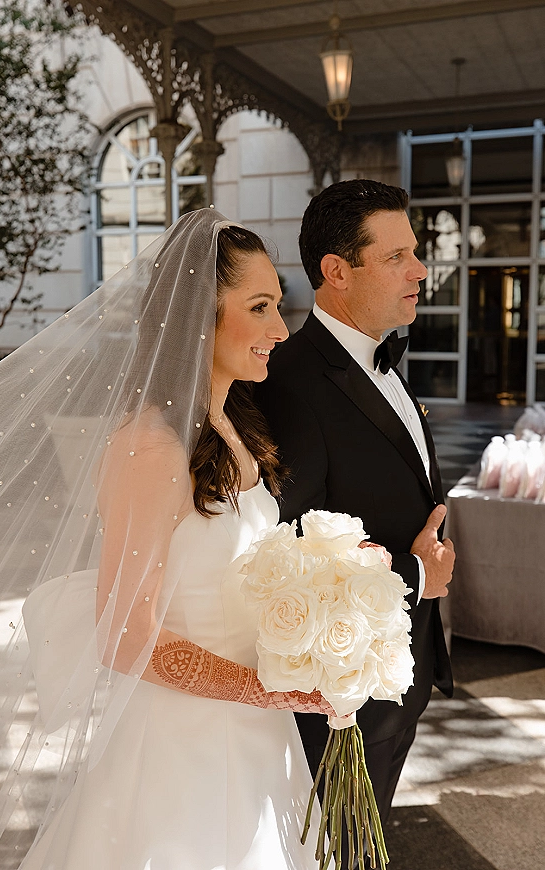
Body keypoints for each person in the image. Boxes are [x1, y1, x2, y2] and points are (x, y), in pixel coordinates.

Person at [0, 209, 339, 870]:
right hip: (183, 747)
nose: (281, 330)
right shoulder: (149, 449)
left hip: (260, 730)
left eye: (277, 307)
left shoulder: (233, 427)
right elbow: (125, 635)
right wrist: (265, 688)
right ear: (199, 316)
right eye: (260, 308)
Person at [255, 179, 455, 860]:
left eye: (415, 253)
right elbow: (285, 549)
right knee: (334, 853)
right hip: (342, 698)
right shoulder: (287, 381)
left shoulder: (385, 360)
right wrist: (418, 575)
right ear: (337, 271)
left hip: (399, 671)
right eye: (397, 256)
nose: (420, 271)